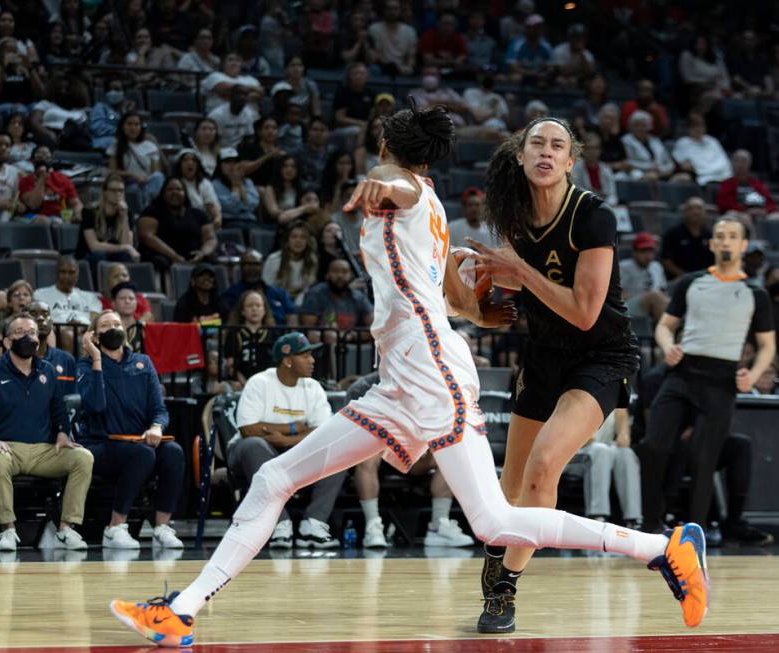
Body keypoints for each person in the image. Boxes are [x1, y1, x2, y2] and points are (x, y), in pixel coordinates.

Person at [111, 107, 708, 647]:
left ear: (384, 146)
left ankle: (661, 548)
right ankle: (182, 610)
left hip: (432, 372)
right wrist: (476, 308)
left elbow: (397, 189)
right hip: (398, 381)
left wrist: (383, 182)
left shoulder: (407, 193)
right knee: (273, 478)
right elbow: (447, 288)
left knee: (494, 521)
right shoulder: (431, 204)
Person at [468, 115, 687, 633]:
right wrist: (479, 304)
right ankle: (501, 556)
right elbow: (517, 291)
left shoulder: (594, 216)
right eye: (536, 144)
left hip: (601, 356)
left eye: (557, 145)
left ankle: (504, 590)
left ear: (572, 161)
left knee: (544, 468)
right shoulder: (513, 216)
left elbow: (586, 311)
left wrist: (520, 273)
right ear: (521, 157)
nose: (545, 151)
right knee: (509, 492)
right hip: (543, 355)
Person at [636, 217, 775, 534]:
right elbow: (664, 325)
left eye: (732, 237)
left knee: (703, 458)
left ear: (742, 245)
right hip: (682, 373)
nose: (725, 241)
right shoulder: (691, 283)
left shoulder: (756, 294)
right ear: (712, 244)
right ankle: (650, 526)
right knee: (654, 446)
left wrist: (752, 376)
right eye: (720, 236)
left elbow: (767, 346)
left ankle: (693, 533)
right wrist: (668, 345)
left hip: (721, 381)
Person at [0, 312, 93, 552]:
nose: (28, 337)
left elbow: (59, 413)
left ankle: (66, 528)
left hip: (43, 451)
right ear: (7, 341)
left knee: (83, 458)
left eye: (32, 333)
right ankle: (8, 530)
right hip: (5, 448)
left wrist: (63, 434)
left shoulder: (48, 372)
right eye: (20, 333)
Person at [78, 311, 185, 549]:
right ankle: (115, 527)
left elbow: (159, 408)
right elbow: (95, 405)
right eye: (105, 325)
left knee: (173, 452)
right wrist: (96, 359)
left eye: (117, 324)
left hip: (139, 440)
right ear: (94, 336)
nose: (113, 328)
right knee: (142, 454)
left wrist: (156, 427)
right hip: (101, 443)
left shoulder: (142, 362)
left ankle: (161, 527)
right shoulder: (86, 365)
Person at [232, 332, 344, 549]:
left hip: (294, 452)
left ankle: (313, 524)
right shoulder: (260, 383)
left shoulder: (313, 388)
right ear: (287, 360)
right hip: (254, 453)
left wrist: (285, 439)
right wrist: (295, 428)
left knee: (338, 452)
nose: (312, 361)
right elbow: (248, 429)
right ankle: (279, 522)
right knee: (254, 445)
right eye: (305, 355)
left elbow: (322, 432)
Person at [349, 371, 474, 548]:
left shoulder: (430, 386)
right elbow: (357, 431)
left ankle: (439, 525)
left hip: (417, 455)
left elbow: (441, 424)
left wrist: (426, 444)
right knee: (367, 454)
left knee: (452, 450)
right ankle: (373, 527)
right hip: (383, 454)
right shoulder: (362, 387)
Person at [138, 177, 217, 271]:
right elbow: (147, 236)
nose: (174, 192)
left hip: (194, 258)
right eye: (170, 189)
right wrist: (175, 257)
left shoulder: (198, 214)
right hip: (164, 257)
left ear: (185, 193)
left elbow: (210, 239)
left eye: (179, 189)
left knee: (211, 259)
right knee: (159, 261)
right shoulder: (152, 211)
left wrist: (202, 253)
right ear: (163, 193)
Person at [221, 249, 297, 326]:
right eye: (248, 264)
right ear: (241, 266)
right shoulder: (230, 294)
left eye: (256, 264)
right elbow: (230, 322)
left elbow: (292, 320)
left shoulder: (280, 294)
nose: (252, 268)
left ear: (262, 266)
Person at [107, 112, 166, 209]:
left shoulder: (150, 146)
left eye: (136, 124)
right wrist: (132, 176)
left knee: (158, 177)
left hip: (148, 184)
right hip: (128, 184)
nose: (133, 128)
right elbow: (112, 172)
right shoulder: (115, 146)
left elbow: (154, 172)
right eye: (129, 124)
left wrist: (145, 179)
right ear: (123, 126)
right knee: (134, 190)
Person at [223, 289, 275, 389]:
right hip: (241, 385)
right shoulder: (234, 333)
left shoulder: (273, 333)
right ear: (242, 311)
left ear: (264, 310)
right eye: (250, 305)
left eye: (258, 305)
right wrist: (247, 385)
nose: (254, 309)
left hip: (268, 385)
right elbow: (231, 365)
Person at [26, 301, 76, 399]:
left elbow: (72, 400)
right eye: (33, 314)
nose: (40, 318)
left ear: (52, 323)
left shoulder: (66, 359)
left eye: (45, 314)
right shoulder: (15, 359)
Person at [34, 256, 102, 327]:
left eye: (71, 272)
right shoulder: (40, 295)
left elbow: (94, 324)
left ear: (77, 274)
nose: (67, 276)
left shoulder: (90, 298)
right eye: (63, 272)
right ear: (56, 272)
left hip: (84, 334)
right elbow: (41, 323)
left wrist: (79, 329)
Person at [262, 221, 318, 304]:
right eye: (294, 237)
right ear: (287, 240)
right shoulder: (274, 259)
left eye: (303, 237)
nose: (298, 240)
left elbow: (308, 288)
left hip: (300, 301)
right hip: (277, 301)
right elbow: (267, 287)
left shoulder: (312, 260)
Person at [671, 113, 732, 188]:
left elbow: (724, 162)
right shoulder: (683, 143)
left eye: (701, 126)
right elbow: (685, 166)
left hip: (722, 175)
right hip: (699, 178)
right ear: (689, 128)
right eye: (696, 126)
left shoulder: (712, 141)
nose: (699, 129)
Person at [661, 197, 715, 280]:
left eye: (699, 208)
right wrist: (685, 277)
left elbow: (715, 261)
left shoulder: (710, 235)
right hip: (679, 280)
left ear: (704, 212)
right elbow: (666, 261)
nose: (695, 212)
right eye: (691, 208)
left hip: (704, 279)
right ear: (685, 212)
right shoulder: (673, 233)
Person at [715, 150, 779, 219]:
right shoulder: (727, 184)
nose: (740, 165)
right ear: (732, 164)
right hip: (739, 214)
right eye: (737, 161)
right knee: (742, 217)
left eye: (743, 161)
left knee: (776, 216)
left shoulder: (757, 184)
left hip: (761, 213)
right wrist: (745, 210)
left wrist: (765, 210)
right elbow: (724, 205)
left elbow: (770, 202)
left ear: (749, 164)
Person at [619, 232, 669, 321]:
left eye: (651, 251)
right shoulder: (624, 266)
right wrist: (645, 297)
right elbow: (618, 294)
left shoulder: (656, 266)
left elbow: (663, 290)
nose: (648, 256)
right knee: (654, 296)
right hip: (628, 306)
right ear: (634, 252)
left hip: (654, 303)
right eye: (643, 251)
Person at [212, 148, 260, 229]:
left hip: (249, 220)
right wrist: (235, 188)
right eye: (227, 162)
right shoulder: (215, 184)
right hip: (229, 221)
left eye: (235, 162)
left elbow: (252, 205)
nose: (232, 165)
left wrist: (240, 185)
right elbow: (230, 208)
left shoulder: (248, 182)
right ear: (220, 165)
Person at [174, 150, 222, 229]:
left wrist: (217, 218)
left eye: (194, 160)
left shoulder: (205, 183)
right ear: (179, 164)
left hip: (205, 224)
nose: (190, 163)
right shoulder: (174, 183)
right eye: (185, 160)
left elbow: (211, 205)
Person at [0, 279, 33, 359]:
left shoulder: (40, 324)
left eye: (26, 295)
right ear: (9, 302)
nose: (21, 298)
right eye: (16, 295)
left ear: (31, 301)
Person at [207, 85, 259, 150]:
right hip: (220, 150)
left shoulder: (249, 113)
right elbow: (212, 140)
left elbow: (249, 136)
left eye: (245, 94)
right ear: (230, 96)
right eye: (238, 94)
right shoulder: (217, 115)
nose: (242, 97)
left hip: (240, 150)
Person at [109, 282, 145, 352]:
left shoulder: (143, 329)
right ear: (113, 303)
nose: (127, 301)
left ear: (136, 302)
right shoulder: (108, 329)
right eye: (122, 298)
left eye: (131, 298)